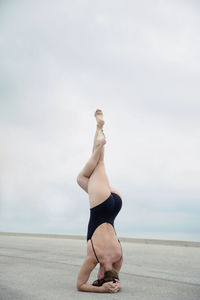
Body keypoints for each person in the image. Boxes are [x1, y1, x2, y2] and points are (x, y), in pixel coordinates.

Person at [76, 109, 123, 293]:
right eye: (98, 277)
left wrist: (115, 285)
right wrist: (102, 290)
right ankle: (100, 140)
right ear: (101, 276)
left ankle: (98, 127)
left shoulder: (119, 259)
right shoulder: (93, 256)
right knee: (99, 162)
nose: (96, 275)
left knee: (81, 179)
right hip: (102, 204)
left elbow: (116, 277)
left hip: (115, 203)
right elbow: (80, 285)